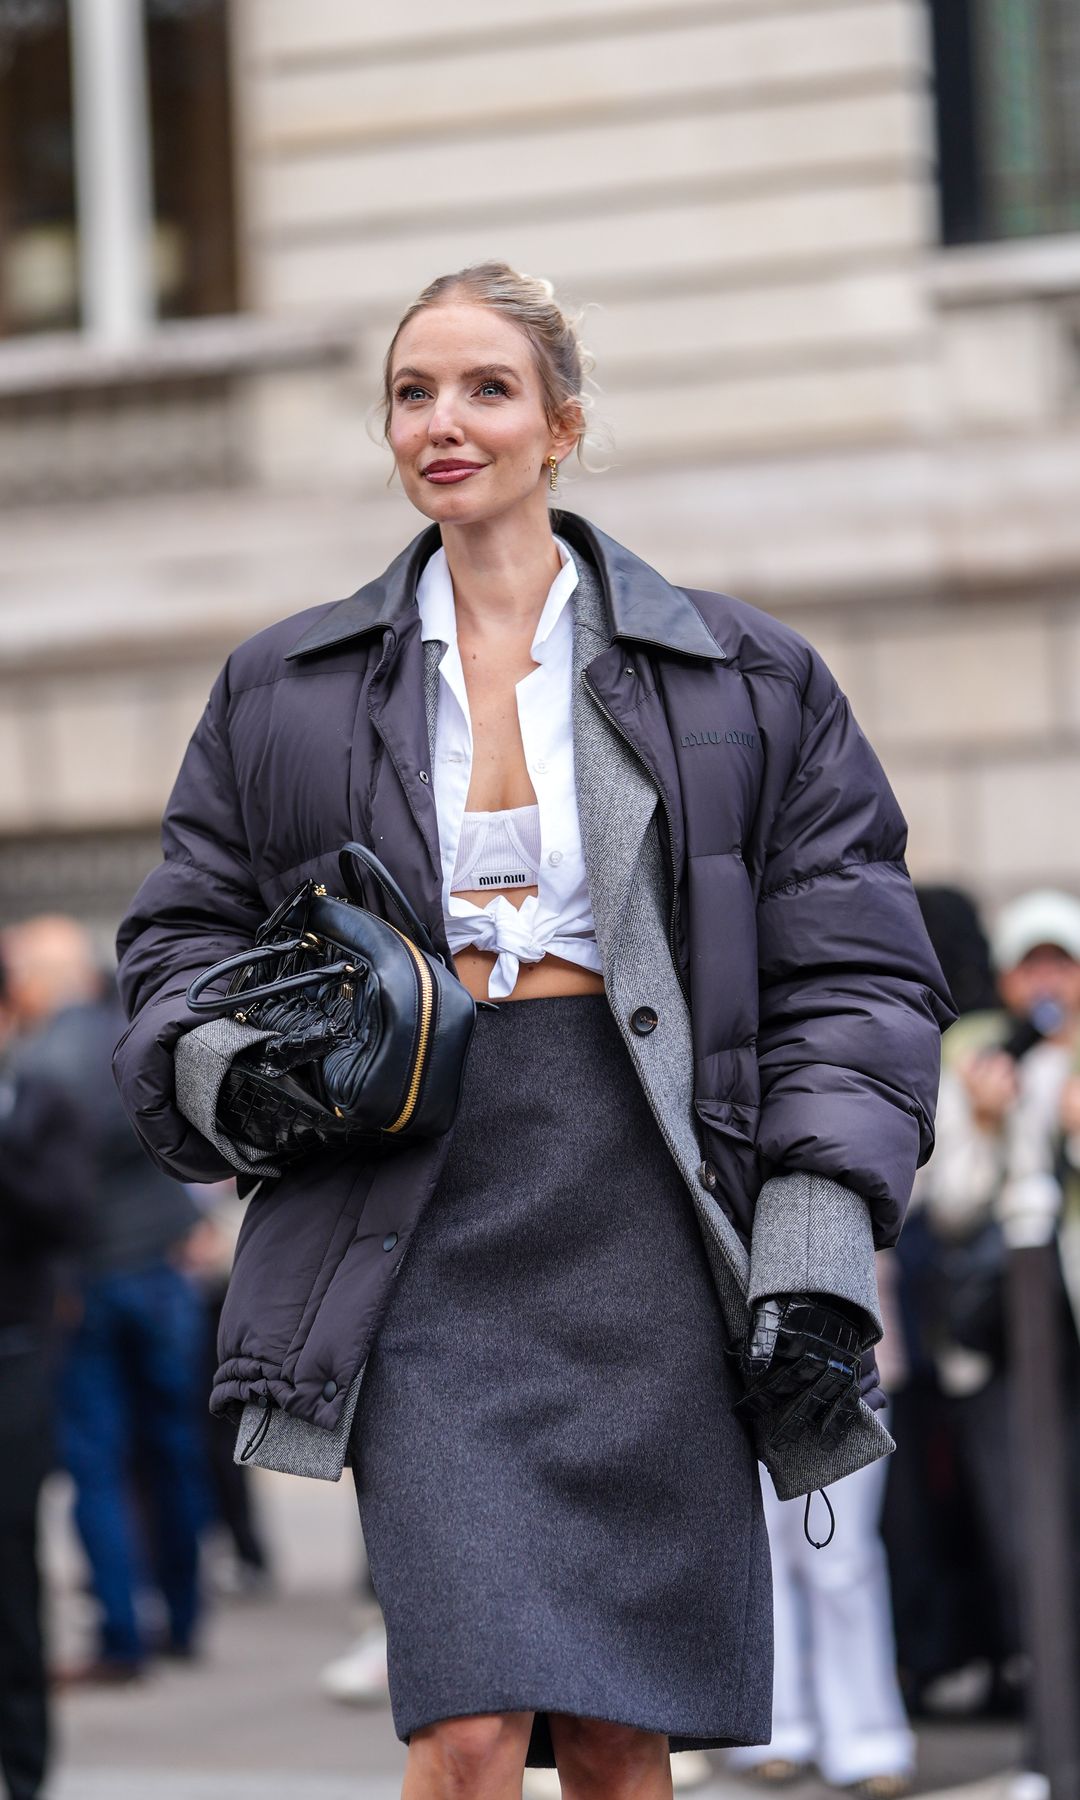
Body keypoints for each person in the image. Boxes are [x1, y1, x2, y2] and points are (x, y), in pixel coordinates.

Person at [113, 262, 953, 1800]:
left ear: (560, 425)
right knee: (471, 1720)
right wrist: (243, 1068)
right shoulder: (284, 686)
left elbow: (857, 978)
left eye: (487, 389)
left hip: (648, 1201)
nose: (444, 422)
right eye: (411, 392)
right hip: (411, 1214)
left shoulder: (742, 678)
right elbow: (176, 941)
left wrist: (819, 1243)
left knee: (627, 1729)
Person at [2, 917, 210, 1677]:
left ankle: (123, 1633)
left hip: (88, 1282)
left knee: (97, 1459)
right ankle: (185, 1618)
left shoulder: (38, 1064)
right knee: (173, 1449)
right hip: (160, 1269)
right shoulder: (138, 1037)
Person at [916, 888, 1080, 1691]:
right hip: (1002, 1332)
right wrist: (983, 1122)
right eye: (1032, 965)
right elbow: (948, 1207)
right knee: (1021, 1528)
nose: (1048, 984)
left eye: (1063, 964)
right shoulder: (975, 1057)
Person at [0, 952, 92, 1800]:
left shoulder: (38, 1104)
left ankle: (24, 1774)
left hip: (15, 1360)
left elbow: (68, 1212)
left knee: (12, 1575)